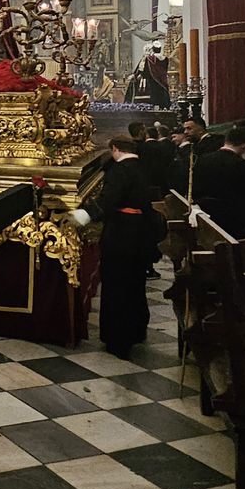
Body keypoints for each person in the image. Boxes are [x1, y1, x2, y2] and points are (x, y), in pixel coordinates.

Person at [71, 137, 164, 358]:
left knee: (117, 284)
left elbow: (109, 200)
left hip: (122, 234)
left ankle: (118, 339)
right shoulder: (144, 166)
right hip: (140, 231)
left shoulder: (120, 170)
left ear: (115, 149)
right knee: (135, 282)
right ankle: (137, 329)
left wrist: (84, 215)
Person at [192, 124, 245, 239]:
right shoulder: (242, 165)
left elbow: (196, 189)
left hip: (207, 218)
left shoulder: (202, 160)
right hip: (234, 223)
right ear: (244, 145)